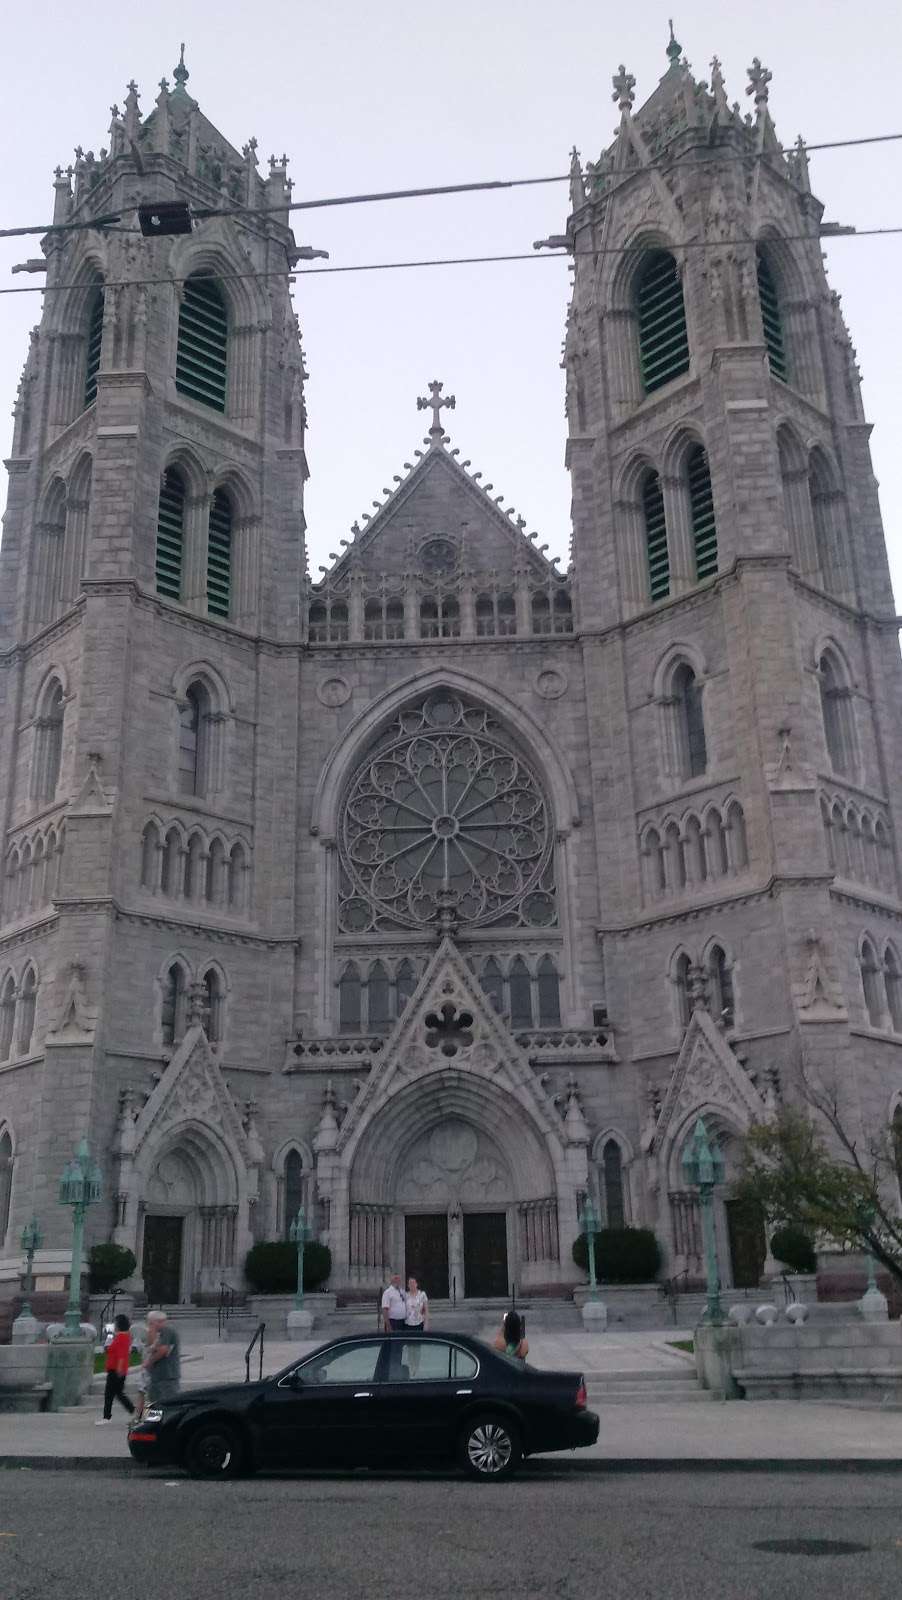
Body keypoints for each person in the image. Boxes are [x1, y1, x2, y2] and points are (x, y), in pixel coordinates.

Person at [96, 1313, 135, 1424]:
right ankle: (130, 1411)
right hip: (115, 1369)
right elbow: (112, 1350)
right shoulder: (120, 1336)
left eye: (115, 1323)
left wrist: (119, 1369)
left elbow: (121, 1355)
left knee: (113, 1393)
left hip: (116, 1370)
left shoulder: (122, 1337)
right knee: (116, 1393)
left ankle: (107, 1416)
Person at [144, 1308, 181, 1400]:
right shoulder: (159, 1333)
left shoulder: (167, 1330)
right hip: (157, 1375)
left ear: (158, 1321)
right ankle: (153, 1415)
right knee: (153, 1404)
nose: (149, 1325)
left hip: (167, 1375)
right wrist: (152, 1332)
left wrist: (149, 1362)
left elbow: (163, 1351)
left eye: (150, 1323)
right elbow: (150, 1346)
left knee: (168, 1403)